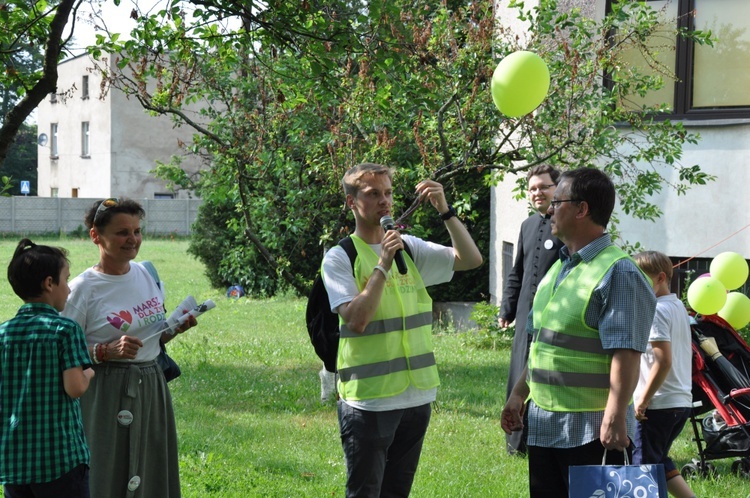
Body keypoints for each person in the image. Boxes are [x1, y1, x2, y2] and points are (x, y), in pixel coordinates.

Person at [322, 163, 483, 497]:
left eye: (389, 193)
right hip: (369, 400)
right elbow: (357, 319)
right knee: (366, 491)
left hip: (416, 396)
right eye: (373, 194)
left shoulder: (409, 248)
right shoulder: (340, 257)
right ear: (352, 203)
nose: (385, 201)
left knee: (398, 491)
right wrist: (382, 263)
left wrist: (446, 211)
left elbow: (470, 259)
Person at [501, 167, 656, 498]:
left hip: (592, 430)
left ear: (582, 209)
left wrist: (615, 418)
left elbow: (626, 352)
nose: (550, 208)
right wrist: (518, 393)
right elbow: (544, 344)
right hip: (545, 425)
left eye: (558, 201)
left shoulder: (619, 272)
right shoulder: (558, 268)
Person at [61, 198, 197, 498]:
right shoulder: (83, 289)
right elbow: (60, 351)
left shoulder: (144, 273)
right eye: (122, 232)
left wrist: (173, 329)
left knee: (149, 469)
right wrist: (104, 352)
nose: (132, 239)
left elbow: (151, 339)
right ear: (96, 235)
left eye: (137, 231)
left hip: (150, 385)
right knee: (106, 468)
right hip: (104, 391)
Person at [1, 239, 94, 497]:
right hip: (60, 461)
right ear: (49, 283)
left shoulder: (3, 334)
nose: (69, 289)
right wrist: (89, 372)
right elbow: (75, 388)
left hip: (14, 461)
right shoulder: (65, 330)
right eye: (66, 280)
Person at [499, 164, 563, 455]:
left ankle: (540, 437)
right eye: (533, 188)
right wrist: (507, 308)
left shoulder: (566, 224)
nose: (537, 192)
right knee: (519, 371)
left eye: (544, 187)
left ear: (557, 188)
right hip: (526, 314)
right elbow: (518, 271)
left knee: (544, 372)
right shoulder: (526, 225)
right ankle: (516, 441)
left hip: (554, 315)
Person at [632, 251, 696, 498]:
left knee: (643, 470)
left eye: (640, 278)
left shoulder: (656, 309)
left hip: (657, 405)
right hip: (680, 402)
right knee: (659, 460)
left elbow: (663, 359)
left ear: (660, 278)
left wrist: (643, 400)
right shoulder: (677, 305)